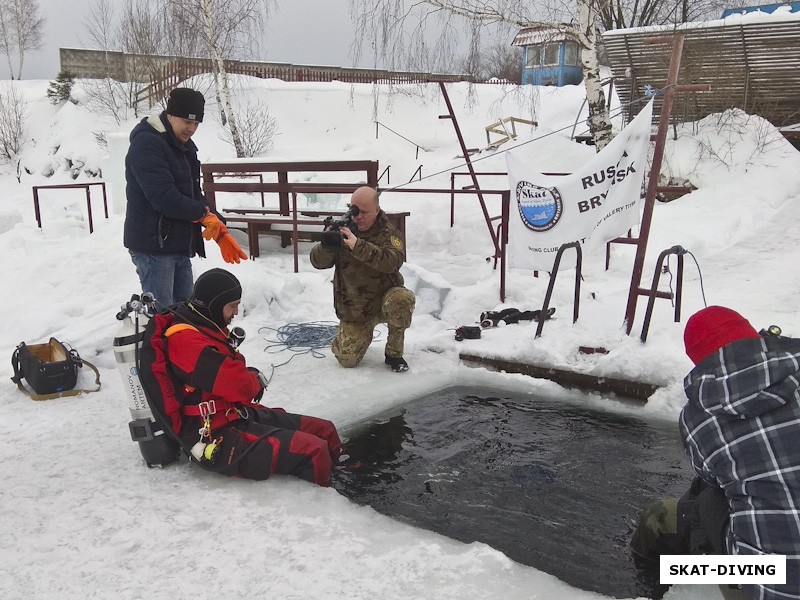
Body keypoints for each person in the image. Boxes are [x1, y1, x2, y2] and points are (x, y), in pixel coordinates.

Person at [632, 306, 799, 600]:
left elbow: (710, 475)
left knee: (699, 499)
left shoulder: (697, 418)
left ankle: (665, 581)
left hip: (770, 582)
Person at [148, 268, 343, 486]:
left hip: (236, 414)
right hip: (213, 434)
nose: (237, 312)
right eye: (232, 305)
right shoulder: (186, 342)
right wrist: (252, 379)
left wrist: (247, 376)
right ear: (214, 304)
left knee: (325, 430)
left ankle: (347, 472)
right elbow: (238, 385)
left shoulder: (204, 326)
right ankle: (328, 497)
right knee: (313, 450)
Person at [124, 87, 246, 307]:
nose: (191, 128)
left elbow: (192, 193)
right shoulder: (147, 144)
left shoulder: (184, 146)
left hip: (178, 243)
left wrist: (217, 223)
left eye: (196, 123)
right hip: (154, 247)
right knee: (163, 316)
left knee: (186, 312)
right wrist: (202, 215)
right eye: (186, 121)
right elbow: (163, 197)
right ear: (170, 115)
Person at [310, 186, 415, 372]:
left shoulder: (389, 233)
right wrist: (326, 244)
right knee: (346, 359)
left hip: (385, 302)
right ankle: (351, 334)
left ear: (377, 209)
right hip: (356, 307)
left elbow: (392, 262)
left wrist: (358, 246)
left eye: (364, 212)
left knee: (402, 299)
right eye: (354, 210)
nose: (358, 217)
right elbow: (318, 263)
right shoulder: (344, 229)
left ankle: (394, 353)